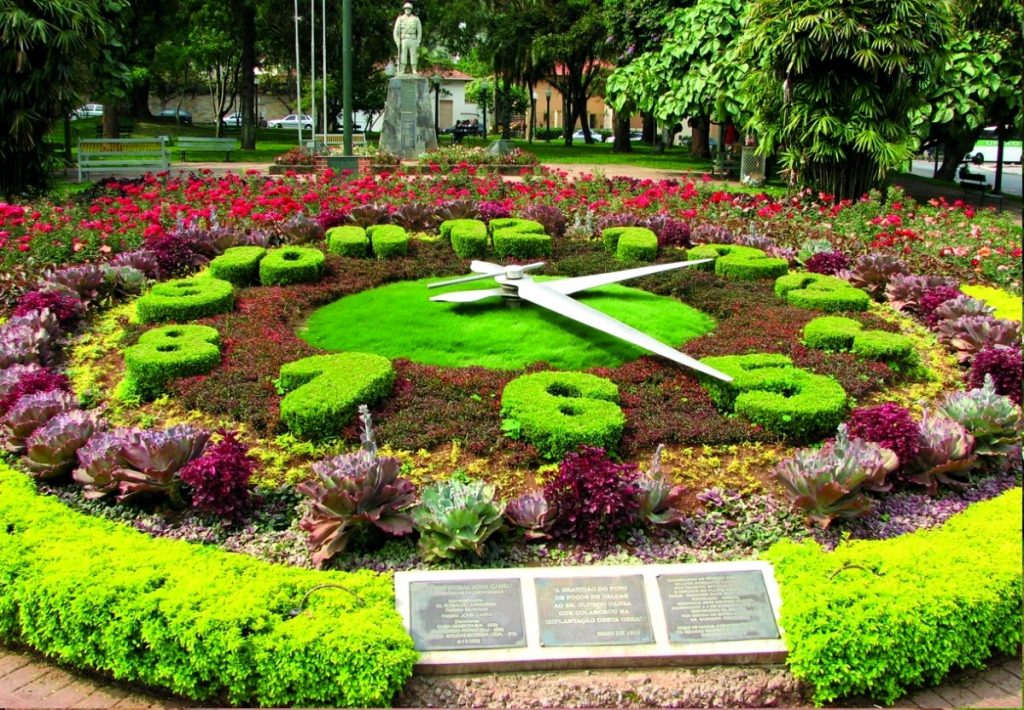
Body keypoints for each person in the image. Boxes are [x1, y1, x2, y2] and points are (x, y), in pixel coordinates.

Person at [393, 3, 422, 75]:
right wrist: (397, 41)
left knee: (413, 55)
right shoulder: (400, 19)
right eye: (406, 9)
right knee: (403, 55)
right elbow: (395, 32)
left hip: (412, 39)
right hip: (404, 39)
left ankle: (414, 70)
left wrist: (418, 41)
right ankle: (402, 70)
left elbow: (419, 32)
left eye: (409, 9)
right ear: (404, 9)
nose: (407, 10)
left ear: (411, 10)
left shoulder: (416, 19)